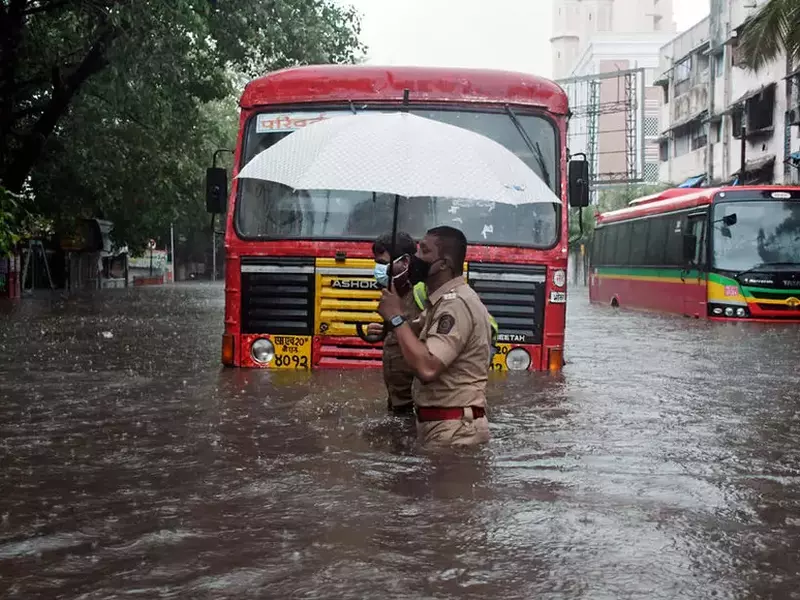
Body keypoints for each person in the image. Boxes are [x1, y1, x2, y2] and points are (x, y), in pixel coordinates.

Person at [377, 225, 493, 447]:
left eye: (424, 251)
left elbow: (428, 367)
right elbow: (414, 333)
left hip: (455, 431)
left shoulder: (455, 305)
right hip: (443, 426)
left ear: (444, 264)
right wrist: (391, 324)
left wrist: (396, 319)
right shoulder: (439, 302)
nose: (416, 258)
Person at [369, 231, 423, 415]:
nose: (378, 269)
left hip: (417, 405)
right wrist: (383, 331)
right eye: (376, 263)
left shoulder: (422, 291)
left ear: (405, 261)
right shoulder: (393, 294)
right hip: (398, 402)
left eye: (383, 263)